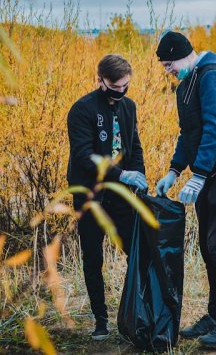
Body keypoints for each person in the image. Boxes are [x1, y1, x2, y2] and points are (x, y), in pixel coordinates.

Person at [153, 30, 216, 349]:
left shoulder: (212, 77)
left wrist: (200, 174)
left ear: (184, 54)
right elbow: (189, 132)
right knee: (209, 247)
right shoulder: (187, 84)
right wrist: (175, 170)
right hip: (208, 174)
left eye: (170, 64)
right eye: (165, 67)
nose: (169, 71)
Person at [67, 54, 148, 340]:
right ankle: (100, 320)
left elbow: (134, 146)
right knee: (93, 258)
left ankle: (137, 313)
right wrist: (120, 174)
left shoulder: (129, 107)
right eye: (116, 88)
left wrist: (138, 176)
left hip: (122, 196)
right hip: (90, 196)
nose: (122, 92)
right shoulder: (81, 110)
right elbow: (84, 156)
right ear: (100, 80)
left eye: (126, 86)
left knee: (137, 252)